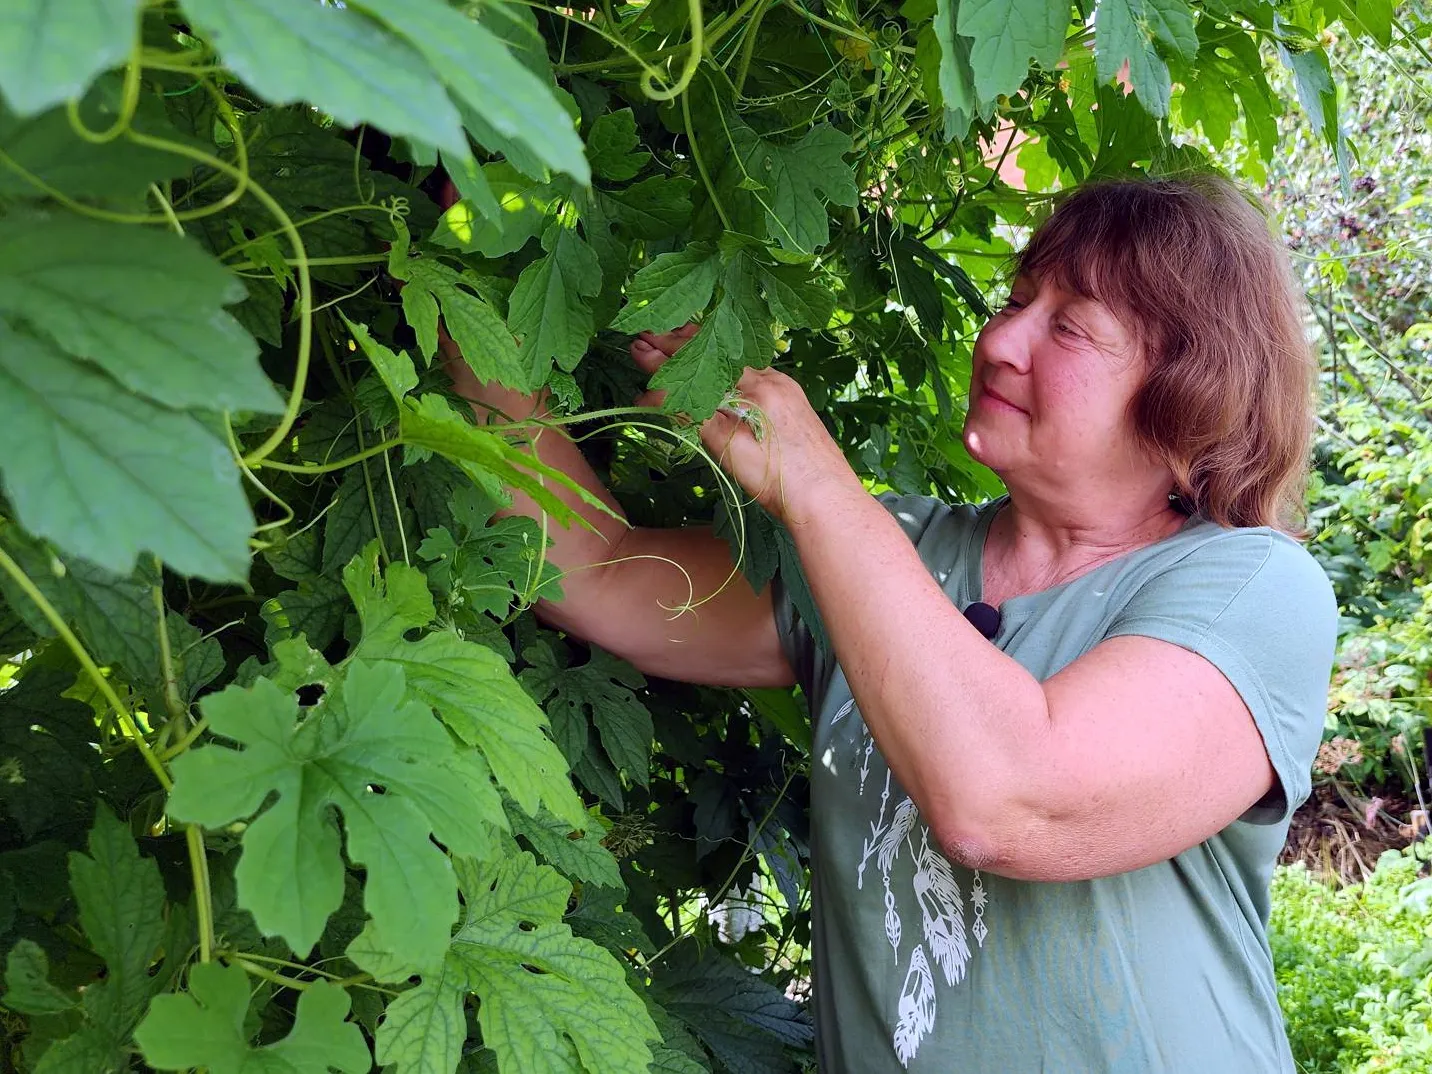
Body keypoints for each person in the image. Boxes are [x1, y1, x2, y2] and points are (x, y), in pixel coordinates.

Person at [442, 175, 1336, 1072]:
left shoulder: (1251, 587)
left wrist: (819, 485)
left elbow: (1008, 800)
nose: (1002, 341)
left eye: (1068, 326)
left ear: (1191, 384)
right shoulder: (894, 551)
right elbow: (595, 571)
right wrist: (453, 276)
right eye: (1017, 299)